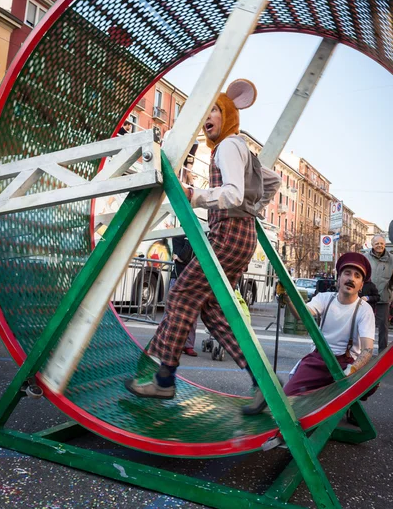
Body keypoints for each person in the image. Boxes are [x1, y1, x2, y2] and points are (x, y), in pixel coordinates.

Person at [125, 79, 281, 404]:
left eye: (214, 110)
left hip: (229, 235)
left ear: (228, 115)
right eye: (205, 112)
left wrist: (196, 196)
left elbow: (234, 193)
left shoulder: (228, 146)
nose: (207, 117)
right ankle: (263, 381)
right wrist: (254, 209)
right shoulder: (241, 149)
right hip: (242, 236)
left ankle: (164, 378)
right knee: (212, 311)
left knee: (181, 294)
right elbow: (273, 180)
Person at [243, 252, 375, 415]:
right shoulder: (325, 298)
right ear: (339, 277)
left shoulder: (364, 310)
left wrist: (353, 370)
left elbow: (367, 350)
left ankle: (349, 405)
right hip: (319, 360)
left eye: (357, 276)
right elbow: (301, 313)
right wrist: (287, 297)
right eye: (347, 273)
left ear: (361, 285)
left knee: (372, 380)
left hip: (345, 364)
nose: (351, 279)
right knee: (286, 404)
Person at [363, 235, 393, 353]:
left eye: (381, 243)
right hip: (366, 298)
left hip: (383, 297)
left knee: (383, 327)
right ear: (372, 244)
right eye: (377, 243)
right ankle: (363, 351)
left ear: (384, 244)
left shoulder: (391, 259)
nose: (379, 245)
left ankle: (382, 352)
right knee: (363, 324)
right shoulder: (365, 258)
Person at [169, 234, 198, 356]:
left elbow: (184, 258)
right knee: (172, 312)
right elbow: (183, 256)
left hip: (193, 279)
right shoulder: (177, 237)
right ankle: (170, 343)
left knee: (192, 314)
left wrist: (180, 257)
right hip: (178, 277)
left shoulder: (197, 237)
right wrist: (188, 241)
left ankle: (188, 345)